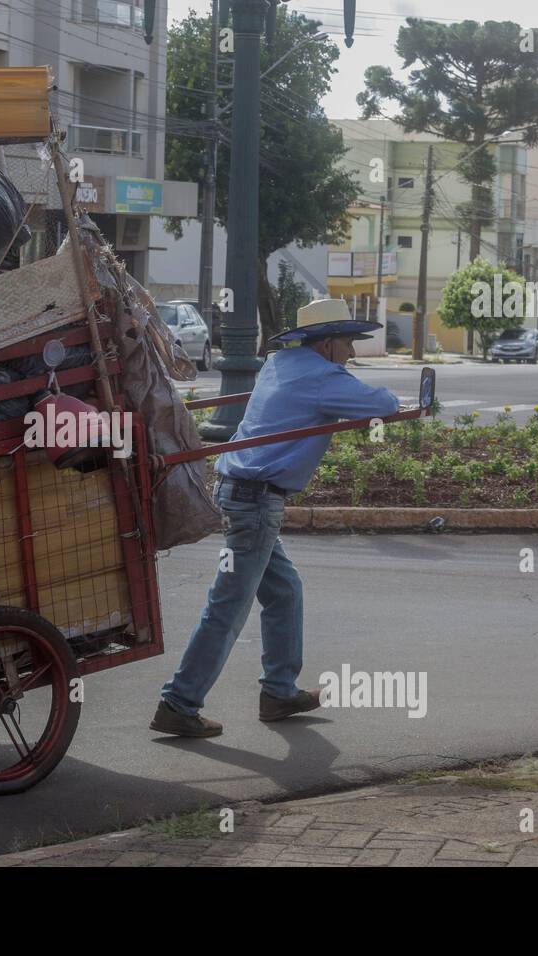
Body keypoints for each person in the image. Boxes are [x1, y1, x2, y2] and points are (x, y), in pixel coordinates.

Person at [152, 299, 401, 737]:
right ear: (326, 343)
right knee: (227, 607)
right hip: (256, 502)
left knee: (283, 592)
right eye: (347, 342)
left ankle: (280, 691)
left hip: (238, 491)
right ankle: (179, 701)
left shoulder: (279, 363)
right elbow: (384, 403)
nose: (353, 352)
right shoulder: (322, 376)